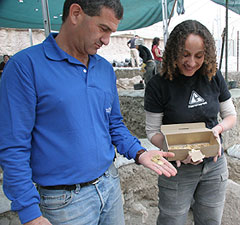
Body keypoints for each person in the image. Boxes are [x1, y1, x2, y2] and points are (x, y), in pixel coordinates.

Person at [0, 1, 177, 225]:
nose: (106, 40)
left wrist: (140, 153)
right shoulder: (25, 66)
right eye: (103, 29)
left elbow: (114, 125)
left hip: (110, 186)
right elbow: (13, 146)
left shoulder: (103, 69)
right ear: (76, 14)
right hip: (63, 202)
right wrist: (30, 213)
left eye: (111, 32)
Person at [144, 20, 237, 225]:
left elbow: (230, 115)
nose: (192, 62)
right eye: (185, 54)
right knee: (172, 220)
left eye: (199, 56)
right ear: (173, 51)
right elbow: (152, 131)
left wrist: (218, 130)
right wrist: (177, 150)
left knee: (210, 220)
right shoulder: (158, 84)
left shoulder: (213, 76)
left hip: (214, 166)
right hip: (176, 169)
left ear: (207, 55)